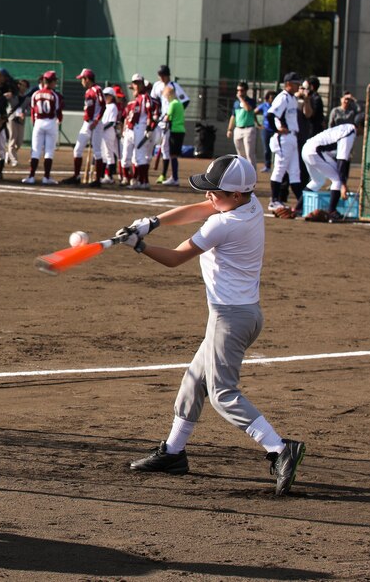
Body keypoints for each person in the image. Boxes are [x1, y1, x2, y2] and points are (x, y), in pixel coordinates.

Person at [121, 154, 305, 496]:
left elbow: (176, 258)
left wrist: (140, 245)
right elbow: (200, 208)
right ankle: (173, 453)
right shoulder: (248, 206)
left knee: (222, 394)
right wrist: (152, 221)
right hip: (244, 314)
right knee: (194, 381)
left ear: (235, 195)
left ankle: (280, 449)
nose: (208, 196)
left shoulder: (225, 224)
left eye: (214, 191)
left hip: (229, 320)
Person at [302, 121, 360, 222]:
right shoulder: (350, 132)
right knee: (337, 179)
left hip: (307, 148)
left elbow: (343, 161)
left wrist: (344, 183)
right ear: (360, 126)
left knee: (317, 181)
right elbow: (341, 160)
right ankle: (332, 211)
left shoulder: (346, 128)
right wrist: (343, 185)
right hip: (315, 151)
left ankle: (298, 208)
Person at [267, 72, 304, 212]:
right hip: (284, 138)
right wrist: (276, 129)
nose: (298, 86)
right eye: (296, 83)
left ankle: (301, 203)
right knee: (280, 169)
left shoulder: (292, 98)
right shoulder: (282, 98)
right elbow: (270, 115)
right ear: (288, 84)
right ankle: (274, 200)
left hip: (292, 137)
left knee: (295, 172)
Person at [64, 68, 104, 186]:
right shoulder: (88, 91)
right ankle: (76, 176)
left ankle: (98, 180)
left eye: (82, 79)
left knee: (97, 151)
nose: (81, 81)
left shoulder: (97, 90)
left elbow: (103, 106)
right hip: (87, 123)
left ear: (87, 79)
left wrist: (96, 121)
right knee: (77, 149)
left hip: (95, 124)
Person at [150, 65, 190, 182]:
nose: (162, 78)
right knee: (158, 146)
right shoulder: (157, 86)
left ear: (168, 76)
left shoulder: (174, 87)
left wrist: (177, 115)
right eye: (160, 76)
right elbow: (154, 101)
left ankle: (165, 174)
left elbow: (185, 101)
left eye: (164, 76)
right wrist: (155, 114)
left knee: (166, 149)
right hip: (161, 120)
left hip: (170, 123)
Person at [22, 70, 62, 185]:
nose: (55, 83)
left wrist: (36, 123)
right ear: (52, 81)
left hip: (39, 122)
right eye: (55, 81)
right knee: (49, 151)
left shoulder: (36, 94)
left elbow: (33, 111)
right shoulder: (54, 95)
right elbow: (58, 112)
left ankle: (31, 176)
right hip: (50, 122)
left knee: (35, 151)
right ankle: (46, 177)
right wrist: (58, 120)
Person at [226, 81, 259, 170]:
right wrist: (229, 129)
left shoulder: (250, 101)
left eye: (241, 90)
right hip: (238, 129)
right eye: (238, 90)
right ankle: (243, 173)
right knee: (240, 155)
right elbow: (233, 116)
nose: (239, 92)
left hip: (248, 129)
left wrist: (241, 99)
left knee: (249, 154)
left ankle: (252, 174)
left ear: (246, 91)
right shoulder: (236, 103)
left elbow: (248, 109)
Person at [163, 84, 186, 186]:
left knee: (173, 155)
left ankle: (175, 178)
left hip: (175, 131)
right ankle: (174, 177)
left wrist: (164, 119)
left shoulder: (173, 104)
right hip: (181, 131)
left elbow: (167, 117)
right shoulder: (180, 104)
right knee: (174, 155)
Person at [97, 87, 120, 184]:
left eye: (107, 95)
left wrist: (101, 128)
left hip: (109, 132)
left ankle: (109, 176)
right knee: (103, 155)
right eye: (104, 95)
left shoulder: (113, 107)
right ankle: (103, 175)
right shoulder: (104, 106)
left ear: (112, 96)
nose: (105, 97)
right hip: (103, 132)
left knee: (109, 154)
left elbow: (111, 122)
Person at [7, 77, 29, 166]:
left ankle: (8, 154)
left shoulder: (28, 99)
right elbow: (9, 106)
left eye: (24, 86)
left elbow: (29, 109)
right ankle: (14, 159)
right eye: (21, 85)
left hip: (21, 121)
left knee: (19, 142)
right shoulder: (13, 96)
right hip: (12, 119)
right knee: (12, 139)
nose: (22, 87)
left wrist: (24, 114)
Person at [255, 90, 275, 172]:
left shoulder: (277, 106)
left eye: (274, 97)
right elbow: (254, 112)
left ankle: (276, 166)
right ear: (268, 98)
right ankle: (268, 166)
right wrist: (258, 124)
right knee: (267, 149)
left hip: (276, 130)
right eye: (271, 98)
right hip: (266, 129)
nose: (273, 99)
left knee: (276, 148)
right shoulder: (264, 106)